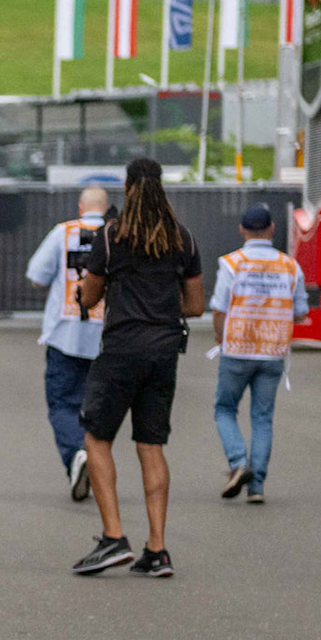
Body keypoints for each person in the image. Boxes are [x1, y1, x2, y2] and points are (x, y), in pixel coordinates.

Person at [70, 159, 204, 579]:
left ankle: (113, 538)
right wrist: (162, 307)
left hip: (122, 351)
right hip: (164, 353)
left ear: (128, 189)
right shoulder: (183, 239)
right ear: (160, 189)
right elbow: (196, 306)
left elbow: (90, 298)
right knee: (151, 445)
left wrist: (89, 292)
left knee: (97, 438)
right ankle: (157, 549)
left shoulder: (112, 237)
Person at [209, 204, 309, 503]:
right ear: (272, 229)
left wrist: (220, 336)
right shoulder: (291, 266)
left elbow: (219, 307)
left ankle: (239, 463)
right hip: (273, 351)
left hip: (237, 348)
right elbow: (301, 312)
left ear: (242, 230)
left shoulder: (231, 263)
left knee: (225, 409)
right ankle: (257, 487)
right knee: (262, 418)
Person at [24, 186, 109, 500]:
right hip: (107, 337)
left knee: (62, 403)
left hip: (65, 334)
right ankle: (96, 467)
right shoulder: (118, 235)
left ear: (80, 206)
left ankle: (76, 454)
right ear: (107, 207)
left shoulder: (64, 232)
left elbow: (37, 275)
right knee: (97, 409)